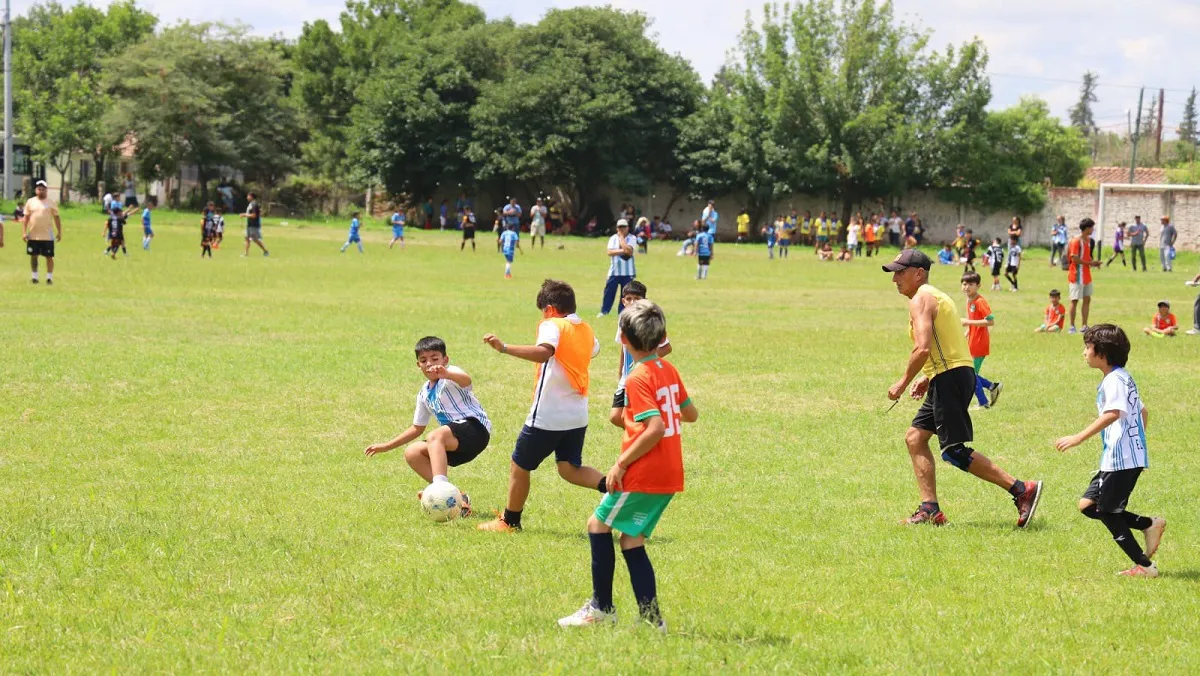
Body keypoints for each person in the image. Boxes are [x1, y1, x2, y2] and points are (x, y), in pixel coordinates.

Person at [557, 300, 696, 631]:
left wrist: (620, 463)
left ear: (623, 336)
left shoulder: (637, 377)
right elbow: (690, 414)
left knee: (597, 524)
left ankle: (601, 608)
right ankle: (652, 621)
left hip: (645, 471)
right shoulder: (668, 369)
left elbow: (656, 428)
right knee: (631, 540)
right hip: (670, 471)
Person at [883, 249, 1043, 527]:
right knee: (915, 438)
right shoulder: (935, 296)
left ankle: (1021, 489)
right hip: (948, 374)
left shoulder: (922, 298)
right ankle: (929, 509)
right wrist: (928, 375)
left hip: (951, 378)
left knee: (953, 451)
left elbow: (921, 348)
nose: (895, 278)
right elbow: (945, 343)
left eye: (900, 271)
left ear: (918, 273)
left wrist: (903, 381)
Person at [479, 280, 607, 533]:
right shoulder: (586, 329)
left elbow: (544, 352)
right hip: (577, 415)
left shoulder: (552, 325)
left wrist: (504, 348)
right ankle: (617, 488)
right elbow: (594, 350)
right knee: (569, 469)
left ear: (549, 309)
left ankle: (510, 522)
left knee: (520, 464)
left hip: (549, 415)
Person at [1053, 324, 1164, 578]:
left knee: (1106, 511)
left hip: (1122, 460)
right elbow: (1142, 412)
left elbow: (1113, 413)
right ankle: (1149, 524)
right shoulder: (1123, 376)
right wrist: (1136, 444)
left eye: (1087, 347)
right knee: (1087, 505)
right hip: (1121, 457)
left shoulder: (1114, 380)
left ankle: (1146, 567)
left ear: (1101, 353)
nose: (1084, 352)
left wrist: (1078, 437)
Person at [364, 336, 492, 518]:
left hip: (475, 430)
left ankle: (439, 489)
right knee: (413, 452)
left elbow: (466, 380)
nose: (430, 364)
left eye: (435, 358)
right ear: (418, 365)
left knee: (435, 436)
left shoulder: (451, 374)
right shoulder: (424, 393)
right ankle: (459, 498)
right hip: (456, 443)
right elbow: (416, 428)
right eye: (423, 360)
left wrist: (447, 373)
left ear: (445, 360)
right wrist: (386, 446)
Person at [608, 282, 672, 427]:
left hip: (641, 376)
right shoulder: (623, 321)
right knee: (615, 417)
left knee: (629, 415)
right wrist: (620, 371)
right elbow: (623, 347)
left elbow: (666, 348)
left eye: (637, 298)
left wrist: (645, 361)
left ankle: (646, 436)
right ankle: (642, 434)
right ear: (623, 301)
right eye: (629, 298)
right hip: (626, 378)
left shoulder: (647, 322)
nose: (632, 302)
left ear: (644, 300)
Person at [961, 271, 1002, 409]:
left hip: (979, 343)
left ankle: (983, 403)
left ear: (978, 286)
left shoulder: (980, 301)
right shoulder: (969, 300)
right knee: (969, 373)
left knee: (970, 375)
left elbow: (990, 321)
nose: (967, 287)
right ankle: (992, 386)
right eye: (965, 284)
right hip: (972, 341)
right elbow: (972, 321)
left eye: (971, 284)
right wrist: (966, 333)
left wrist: (968, 322)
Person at [23, 180, 62, 285]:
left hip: (47, 236)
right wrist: (24, 232)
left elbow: (57, 217)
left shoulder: (51, 202)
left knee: (49, 257)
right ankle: (34, 277)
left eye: (43, 189)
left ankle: (49, 278)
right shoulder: (30, 202)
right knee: (33, 256)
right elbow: (26, 218)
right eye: (39, 189)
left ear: (46, 190)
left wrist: (59, 232)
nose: (41, 191)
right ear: (36, 190)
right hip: (33, 235)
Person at [1067, 218, 1102, 334]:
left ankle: (1084, 325)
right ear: (1087, 228)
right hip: (1076, 275)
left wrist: (1093, 262)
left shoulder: (1088, 240)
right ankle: (1072, 326)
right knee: (1074, 300)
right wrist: (1090, 263)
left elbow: (1086, 257)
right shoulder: (1076, 241)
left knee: (1087, 299)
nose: (1093, 229)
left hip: (1086, 274)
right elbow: (1074, 259)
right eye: (1092, 227)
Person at [599, 220, 637, 316]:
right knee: (609, 292)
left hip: (628, 272)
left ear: (627, 227)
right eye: (620, 227)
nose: (622, 229)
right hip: (614, 271)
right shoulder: (612, 238)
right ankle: (604, 311)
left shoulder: (632, 238)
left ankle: (622, 313)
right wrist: (623, 250)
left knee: (626, 294)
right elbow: (609, 252)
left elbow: (629, 251)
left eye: (624, 227)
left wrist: (621, 239)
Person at [240, 192, 269, 257]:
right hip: (249, 225)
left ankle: (265, 251)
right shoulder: (251, 204)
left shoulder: (254, 204)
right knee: (246, 238)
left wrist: (244, 215)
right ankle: (246, 253)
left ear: (251, 196)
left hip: (254, 225)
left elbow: (254, 215)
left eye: (248, 196)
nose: (247, 197)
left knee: (255, 239)